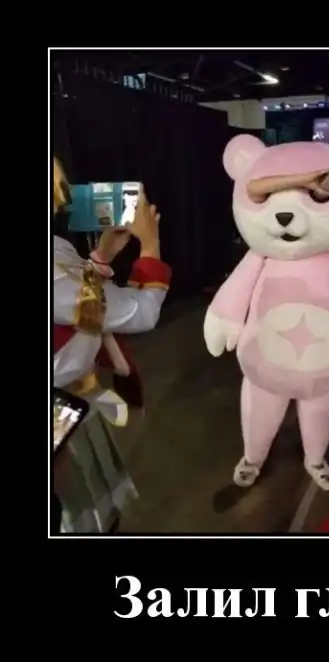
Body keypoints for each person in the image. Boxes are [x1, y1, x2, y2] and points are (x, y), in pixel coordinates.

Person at [53, 157, 172, 533]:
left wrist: (102, 257)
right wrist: (150, 245)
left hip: (71, 400)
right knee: (71, 507)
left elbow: (83, 301)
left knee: (87, 495)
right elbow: (141, 313)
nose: (63, 196)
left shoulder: (56, 246)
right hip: (58, 405)